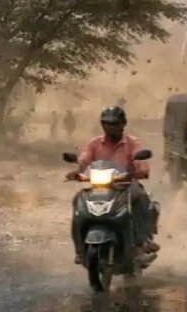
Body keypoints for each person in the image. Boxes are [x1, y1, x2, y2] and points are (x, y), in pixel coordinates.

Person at [66, 106, 158, 260]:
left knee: (140, 196)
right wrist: (76, 170)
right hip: (100, 186)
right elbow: (83, 159)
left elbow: (139, 158)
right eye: (107, 124)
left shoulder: (132, 143)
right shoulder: (95, 143)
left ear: (123, 124)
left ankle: (142, 242)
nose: (111, 127)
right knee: (78, 200)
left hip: (126, 185)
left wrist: (141, 170)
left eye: (115, 124)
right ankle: (80, 249)